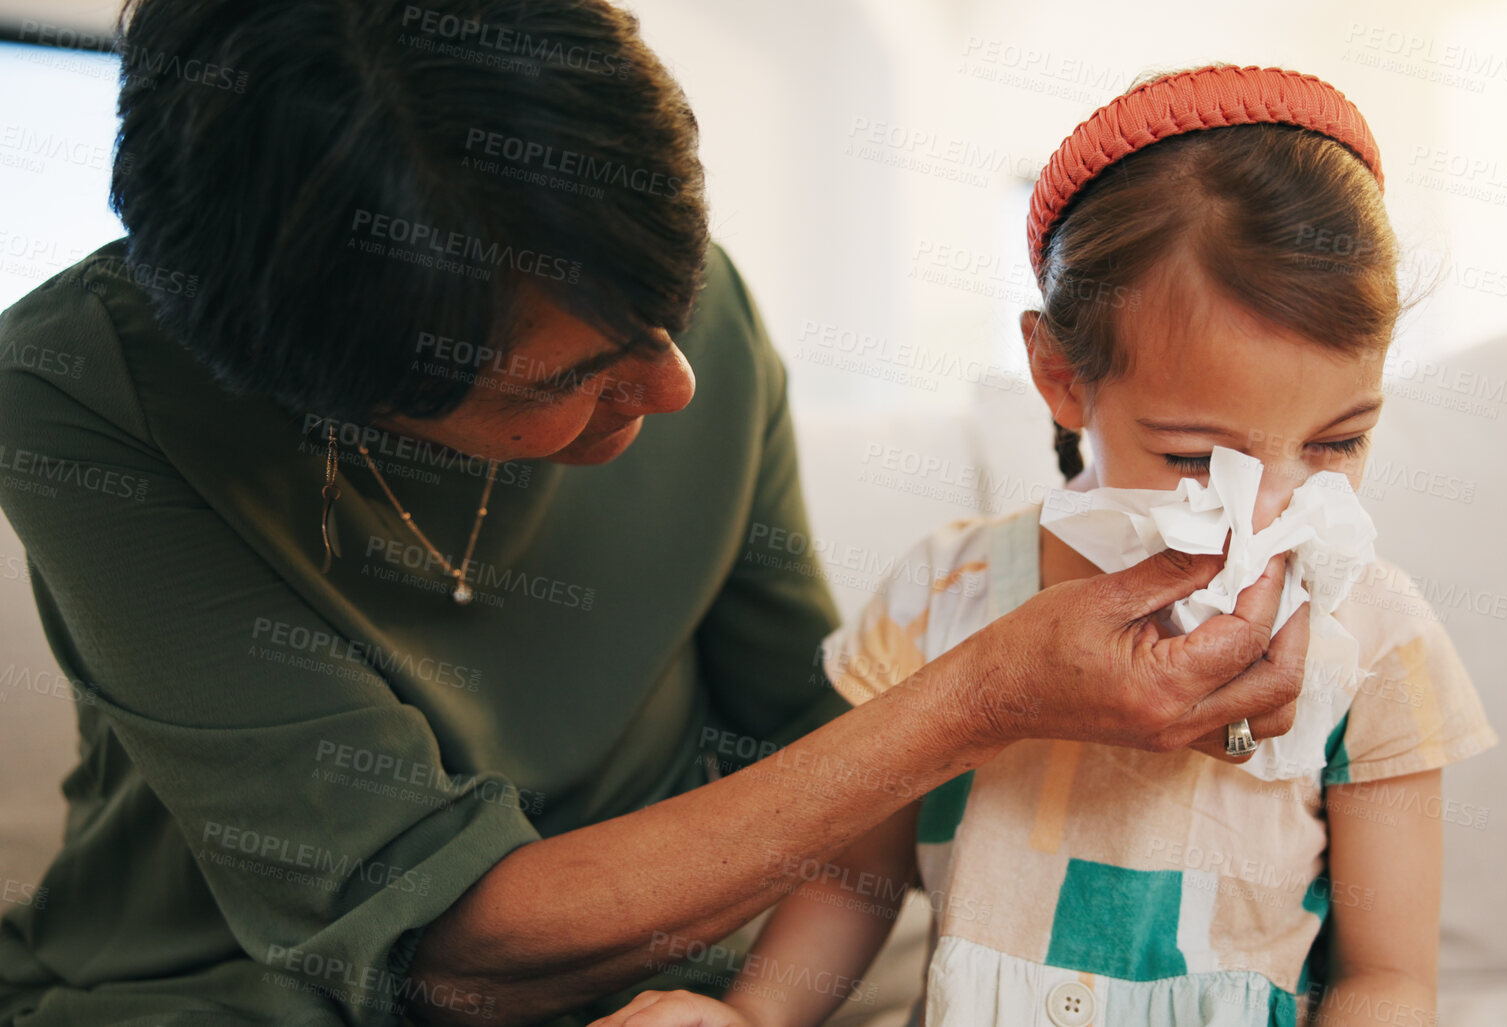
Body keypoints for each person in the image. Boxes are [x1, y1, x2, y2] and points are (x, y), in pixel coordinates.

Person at [0, 7, 1310, 1026]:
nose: (674, 385)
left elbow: (793, 732)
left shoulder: (694, 328)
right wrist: (985, 694)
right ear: (340, 392)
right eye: (566, 380)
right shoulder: (78, 392)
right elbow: (449, 946)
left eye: (668, 305)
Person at [599, 65, 1499, 1027]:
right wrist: (751, 1016)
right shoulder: (949, 592)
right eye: (1197, 455)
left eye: (1337, 441)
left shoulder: (1376, 638)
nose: (1270, 506)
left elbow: (1387, 977)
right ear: (1060, 375)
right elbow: (855, 878)